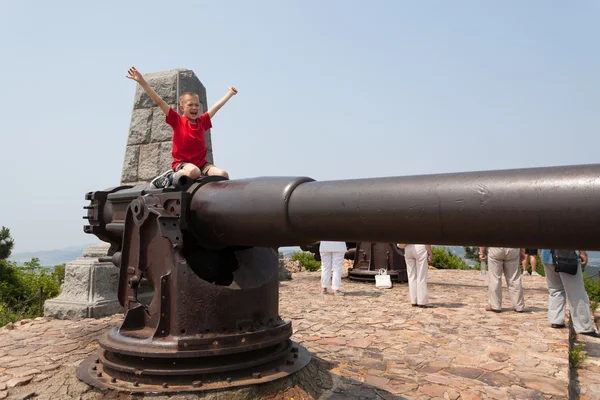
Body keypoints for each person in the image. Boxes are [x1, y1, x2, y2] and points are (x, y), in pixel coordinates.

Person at [126, 66, 237, 188]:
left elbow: (216, 107)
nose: (194, 107)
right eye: (190, 105)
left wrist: (230, 94)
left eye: (196, 105)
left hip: (202, 164)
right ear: (182, 108)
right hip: (183, 163)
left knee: (223, 174)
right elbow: (159, 101)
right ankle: (169, 177)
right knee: (194, 172)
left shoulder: (202, 121)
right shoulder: (177, 120)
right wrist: (142, 81)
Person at [541, 249, 598, 337]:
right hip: (565, 256)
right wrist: (582, 252)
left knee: (555, 290)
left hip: (546, 256)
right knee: (577, 293)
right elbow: (574, 236)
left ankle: (556, 320)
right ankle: (584, 327)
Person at [479, 247, 525, 312]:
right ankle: (519, 306)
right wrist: (522, 251)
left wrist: (481, 252)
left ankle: (495, 306)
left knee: (495, 278)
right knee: (514, 278)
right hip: (513, 248)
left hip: (495, 247)